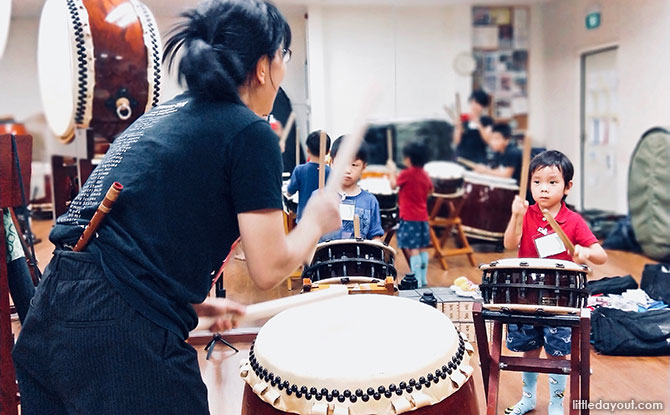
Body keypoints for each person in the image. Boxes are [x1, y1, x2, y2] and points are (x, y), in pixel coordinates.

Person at [12, 1, 341, 414]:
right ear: (263, 65)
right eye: (284, 57)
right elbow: (269, 266)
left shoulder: (162, 115)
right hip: (117, 335)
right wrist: (314, 221)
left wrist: (194, 304)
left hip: (51, 313)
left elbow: (127, 240)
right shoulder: (248, 131)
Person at [502, 150, 607, 415]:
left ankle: (557, 404)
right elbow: (509, 244)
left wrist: (585, 253)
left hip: (560, 298)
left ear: (567, 186)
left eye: (552, 182)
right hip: (524, 294)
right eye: (536, 182)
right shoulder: (526, 213)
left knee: (558, 352)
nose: (543, 189)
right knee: (528, 349)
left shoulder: (573, 221)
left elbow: (601, 256)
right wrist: (515, 215)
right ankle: (528, 398)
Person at [388, 141, 433, 287]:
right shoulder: (425, 175)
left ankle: (417, 281)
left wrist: (391, 170)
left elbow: (393, 185)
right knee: (422, 248)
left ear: (408, 158)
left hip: (409, 217)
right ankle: (424, 278)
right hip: (423, 217)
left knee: (413, 249)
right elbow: (431, 190)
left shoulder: (407, 174)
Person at [320, 137, 384, 241]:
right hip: (324, 255)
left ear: (363, 167)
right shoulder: (319, 197)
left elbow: (375, 236)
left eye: (354, 165)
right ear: (331, 162)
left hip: (358, 256)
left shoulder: (370, 201)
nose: (347, 170)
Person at [286, 129, 331, 221]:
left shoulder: (300, 170)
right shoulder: (331, 172)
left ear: (307, 150)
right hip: (324, 220)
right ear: (327, 152)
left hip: (304, 219)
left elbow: (289, 192)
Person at [453, 89, 494, 164]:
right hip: (461, 158)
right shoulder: (464, 119)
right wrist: (458, 127)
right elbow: (456, 142)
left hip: (478, 160)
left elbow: (488, 140)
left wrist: (478, 123)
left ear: (483, 106)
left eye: (477, 103)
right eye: (472, 102)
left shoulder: (487, 121)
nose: (474, 106)